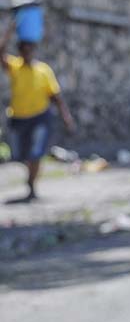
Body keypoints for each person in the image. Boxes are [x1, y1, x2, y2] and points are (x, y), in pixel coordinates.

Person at [2, 20, 75, 202]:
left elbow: (55, 96)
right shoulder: (15, 67)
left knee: (36, 152)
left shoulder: (43, 71)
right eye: (23, 50)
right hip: (18, 118)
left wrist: (66, 117)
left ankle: (32, 186)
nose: (27, 53)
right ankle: (31, 178)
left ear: (33, 50)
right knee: (21, 154)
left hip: (40, 117)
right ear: (20, 52)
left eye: (30, 49)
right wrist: (10, 31)